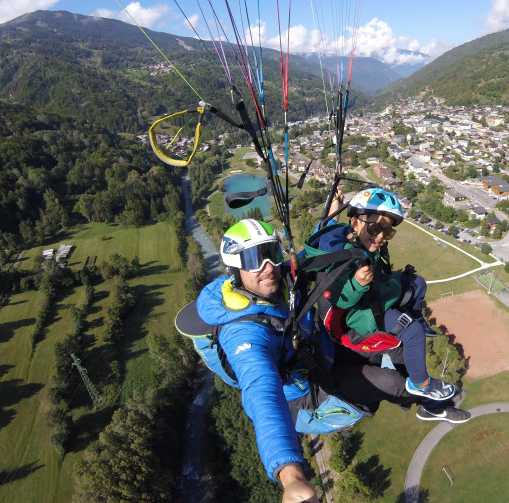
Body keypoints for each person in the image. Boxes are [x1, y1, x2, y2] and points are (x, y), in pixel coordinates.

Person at [197, 219, 468, 503]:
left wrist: (343, 225)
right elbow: (262, 393)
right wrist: (290, 475)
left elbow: (318, 254)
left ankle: (426, 402)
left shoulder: (281, 279)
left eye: (271, 254)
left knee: (389, 339)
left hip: (322, 351)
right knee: (391, 382)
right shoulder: (242, 333)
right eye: (255, 259)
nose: (268, 267)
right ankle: (422, 401)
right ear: (234, 268)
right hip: (311, 392)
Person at [305, 187, 458, 402]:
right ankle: (421, 384)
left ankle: (418, 320)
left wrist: (334, 209)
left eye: (387, 232)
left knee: (418, 283)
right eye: (376, 228)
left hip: (372, 294)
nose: (381, 237)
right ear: (355, 222)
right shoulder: (343, 256)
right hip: (359, 315)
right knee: (413, 332)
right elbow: (337, 298)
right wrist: (356, 284)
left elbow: (327, 230)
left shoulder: (348, 236)